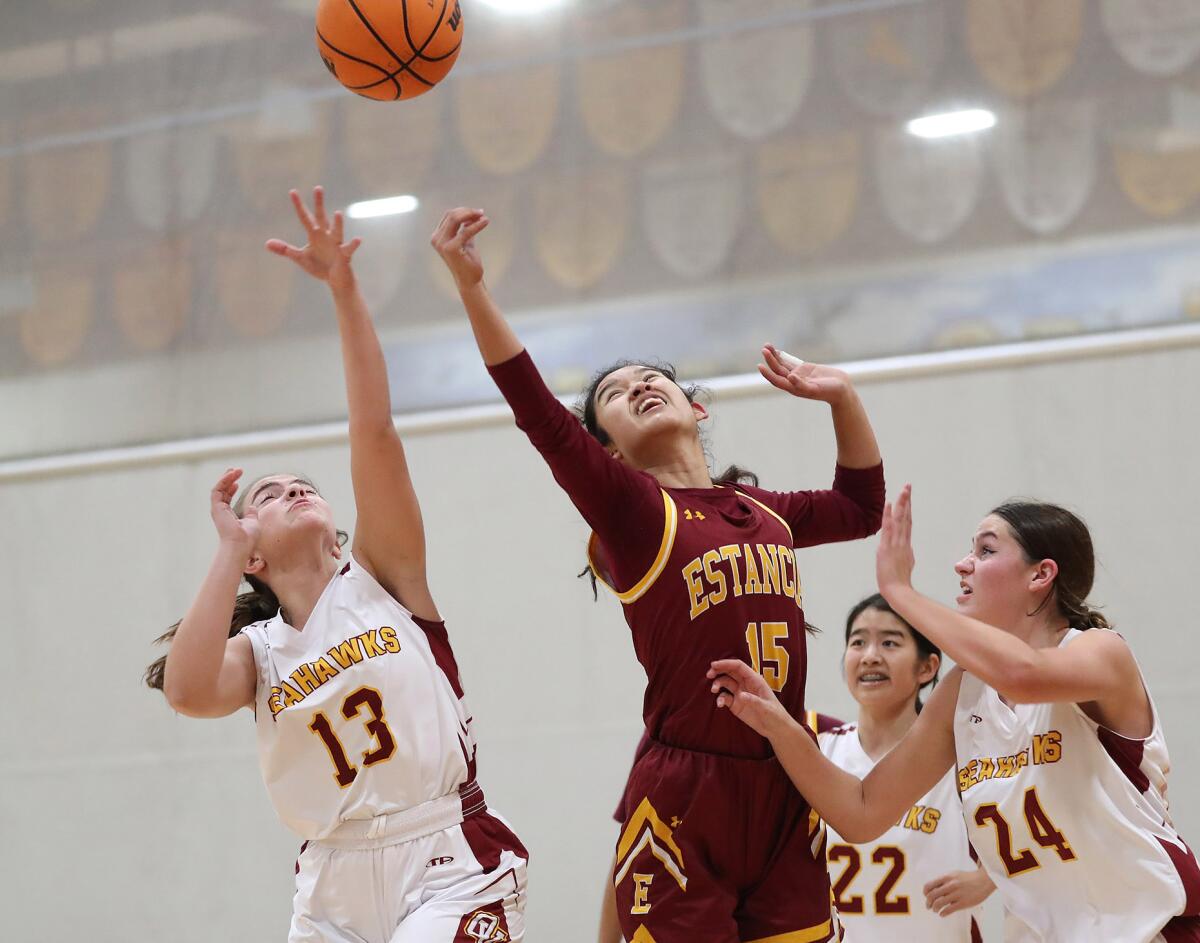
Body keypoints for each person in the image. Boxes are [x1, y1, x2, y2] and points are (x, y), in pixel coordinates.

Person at [432, 207, 885, 943]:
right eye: (616, 394)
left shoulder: (759, 510)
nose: (640, 386)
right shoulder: (636, 513)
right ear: (607, 452)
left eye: (653, 379)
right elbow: (538, 414)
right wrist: (474, 289)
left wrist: (842, 397)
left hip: (784, 780)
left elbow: (862, 507)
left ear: (695, 406)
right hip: (686, 793)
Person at [145, 188, 527, 943]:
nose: (293, 488)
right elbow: (187, 691)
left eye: (303, 485)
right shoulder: (257, 654)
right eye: (268, 496)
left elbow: (373, 429)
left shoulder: (384, 577)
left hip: (446, 858)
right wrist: (225, 550)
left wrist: (346, 293)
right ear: (251, 552)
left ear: (338, 534)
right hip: (330, 883)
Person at [711, 487, 1200, 943]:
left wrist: (902, 592)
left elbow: (1024, 677)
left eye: (985, 551)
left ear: (1040, 575)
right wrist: (775, 721)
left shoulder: (1100, 652)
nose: (961, 564)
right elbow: (860, 812)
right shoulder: (963, 692)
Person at [819, 592, 992, 941]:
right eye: (858, 642)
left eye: (889, 642)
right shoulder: (816, 745)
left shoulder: (964, 753)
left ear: (927, 667)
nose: (870, 657)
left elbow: (1040, 817)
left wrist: (989, 879)